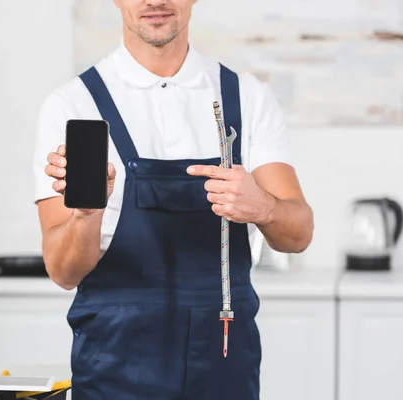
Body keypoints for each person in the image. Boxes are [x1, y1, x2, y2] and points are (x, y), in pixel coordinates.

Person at [32, 0, 314, 398]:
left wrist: (263, 207)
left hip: (224, 362)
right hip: (114, 366)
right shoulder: (73, 105)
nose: (155, 1)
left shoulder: (246, 97)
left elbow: (298, 234)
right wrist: (86, 215)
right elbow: (63, 272)